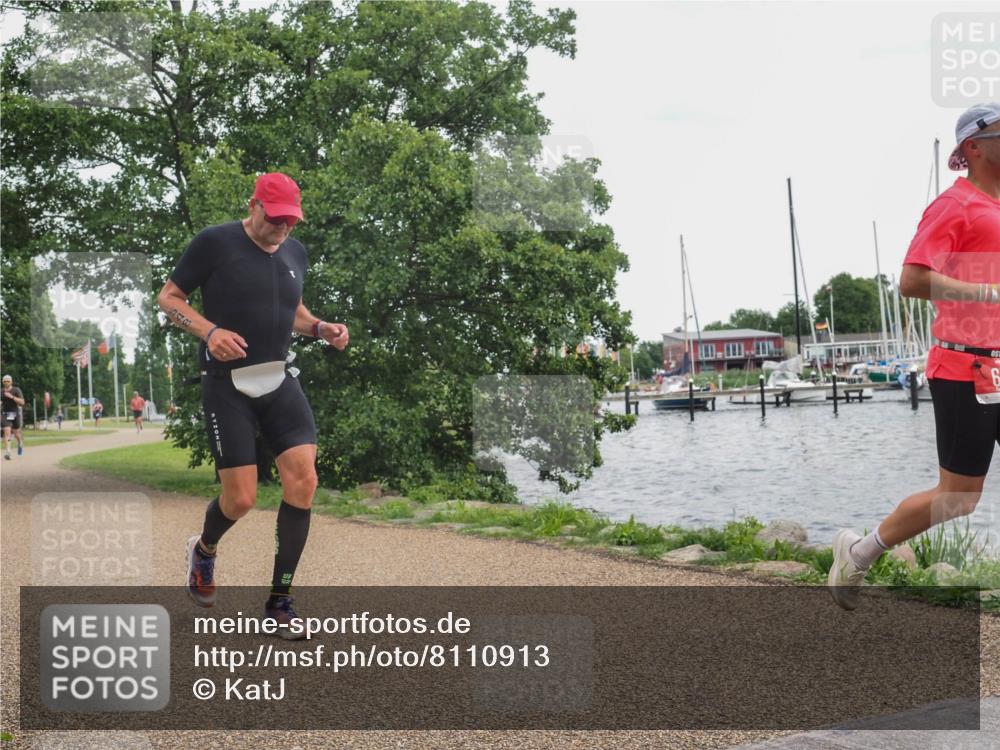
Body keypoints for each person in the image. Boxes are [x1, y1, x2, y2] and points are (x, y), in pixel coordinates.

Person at [157, 172, 349, 635]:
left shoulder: (295, 252)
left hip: (278, 379)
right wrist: (210, 332)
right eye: (277, 219)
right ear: (255, 206)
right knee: (240, 499)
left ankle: (280, 602)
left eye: (291, 223)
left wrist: (322, 327)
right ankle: (204, 550)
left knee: (304, 480)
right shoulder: (215, 243)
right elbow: (168, 297)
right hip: (227, 385)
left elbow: (293, 312)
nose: (283, 230)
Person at [829, 103, 1000, 610]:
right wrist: (985, 292)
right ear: (973, 146)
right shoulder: (955, 206)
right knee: (960, 498)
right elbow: (911, 279)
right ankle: (858, 554)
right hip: (963, 367)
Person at [1, 374, 25, 459]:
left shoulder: (16, 390)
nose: (6, 383)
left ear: (11, 382)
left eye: (8, 381)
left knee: (16, 433)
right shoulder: (1, 391)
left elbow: (22, 402)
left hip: (15, 414)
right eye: (4, 381)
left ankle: (20, 443)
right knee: (6, 432)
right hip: (5, 414)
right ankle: (8, 452)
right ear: (2, 382)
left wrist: (12, 397)